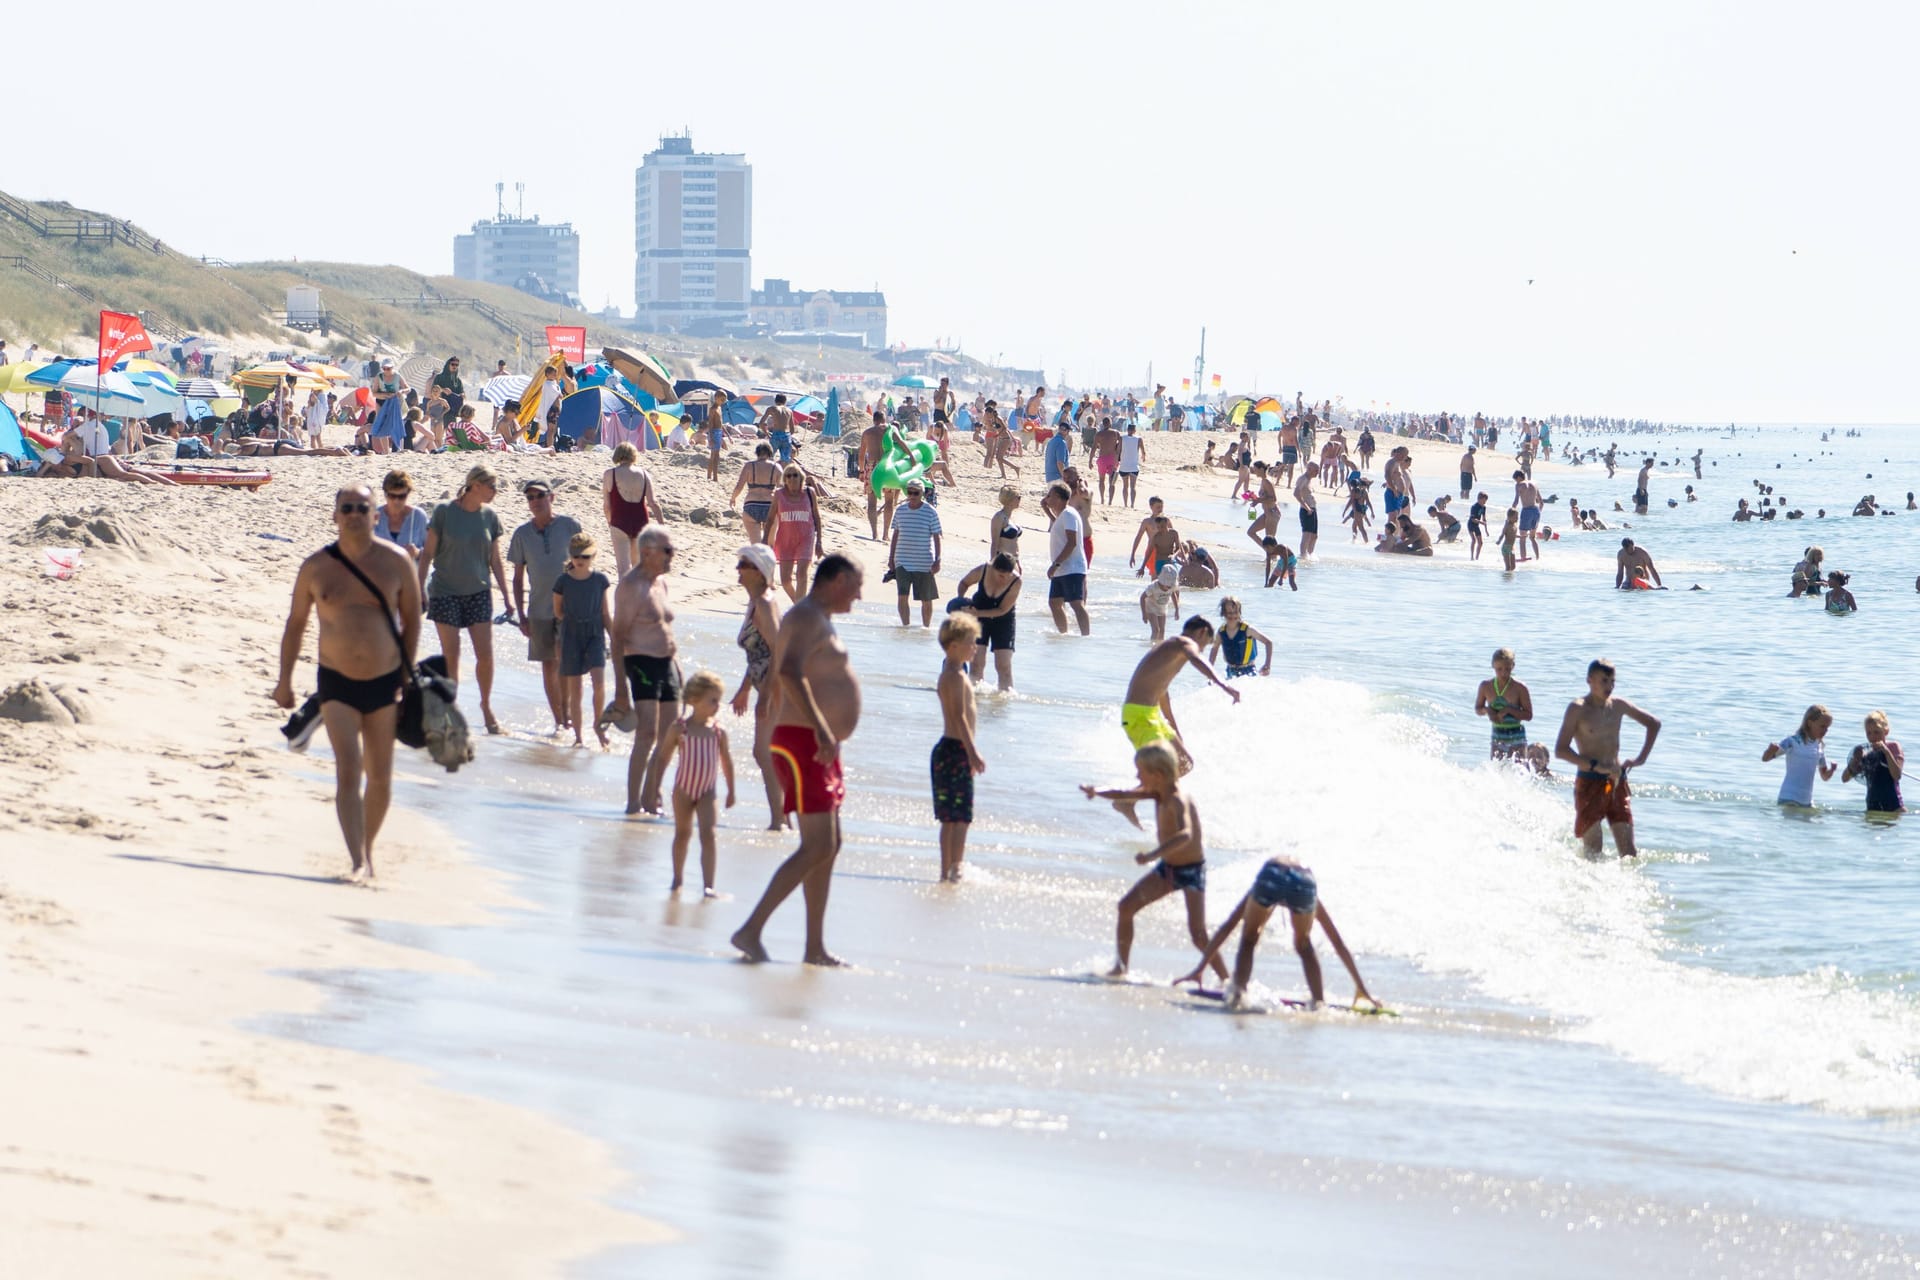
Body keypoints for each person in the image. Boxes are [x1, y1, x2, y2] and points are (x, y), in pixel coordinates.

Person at [273, 486, 422, 883]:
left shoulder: (395, 563)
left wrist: (405, 678)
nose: (354, 514)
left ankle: (368, 849)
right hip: (335, 680)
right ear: (335, 516)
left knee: (381, 775)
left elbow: (412, 618)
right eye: (347, 508)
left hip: (385, 681)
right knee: (348, 769)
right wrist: (284, 680)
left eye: (362, 508)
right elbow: (296, 624)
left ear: (376, 515)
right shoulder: (316, 567)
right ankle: (357, 860)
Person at [731, 554, 865, 965]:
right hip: (804, 739)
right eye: (856, 585)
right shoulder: (806, 616)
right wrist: (824, 729)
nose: (860, 594)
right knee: (818, 844)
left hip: (815, 741)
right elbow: (788, 672)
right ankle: (750, 930)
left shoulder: (812, 617)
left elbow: (786, 672)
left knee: (829, 844)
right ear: (838, 580)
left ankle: (814, 948)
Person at [1080, 743, 1229, 982]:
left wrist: (1152, 855)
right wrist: (1096, 790)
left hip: (1191, 871)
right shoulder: (1158, 792)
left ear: (1158, 775)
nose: (1137, 776)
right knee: (1126, 907)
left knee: (1198, 935)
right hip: (1167, 869)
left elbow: (1186, 835)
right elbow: (1123, 793)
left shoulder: (1178, 800)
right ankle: (1121, 967)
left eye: (1141, 772)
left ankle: (1228, 981)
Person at [1175, 857, 1377, 1011]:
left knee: (1249, 939)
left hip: (1272, 874)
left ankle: (1238, 995)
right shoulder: (1315, 899)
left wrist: (1200, 968)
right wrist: (1361, 988)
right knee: (1304, 945)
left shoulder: (1256, 892)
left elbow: (1228, 926)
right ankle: (1318, 1003)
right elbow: (1337, 942)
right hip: (1303, 881)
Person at [418, 464, 510, 734]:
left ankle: (485, 706)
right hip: (445, 591)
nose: (495, 491)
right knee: (452, 656)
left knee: (486, 655)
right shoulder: (445, 512)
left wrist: (507, 597)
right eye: (492, 486)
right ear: (475, 486)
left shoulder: (490, 517)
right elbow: (427, 554)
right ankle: (450, 710)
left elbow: (496, 560)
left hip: (479, 593)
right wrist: (419, 588)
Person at [1113, 616, 1240, 810]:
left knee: (1184, 763)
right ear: (1202, 633)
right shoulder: (1183, 643)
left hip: (1151, 715)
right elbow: (1197, 659)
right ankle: (1134, 803)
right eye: (1205, 645)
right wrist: (1223, 684)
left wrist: (1173, 724)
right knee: (1164, 769)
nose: (1202, 649)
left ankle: (1131, 800)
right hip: (1139, 716)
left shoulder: (1169, 651)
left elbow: (1162, 691)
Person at [1552, 659, 1662, 857]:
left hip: (1617, 782)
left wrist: (1640, 759)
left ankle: (1628, 886)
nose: (1609, 686)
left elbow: (1653, 723)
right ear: (1589, 680)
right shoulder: (1578, 708)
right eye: (1604, 681)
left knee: (1629, 853)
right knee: (1593, 851)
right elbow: (1560, 750)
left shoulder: (1618, 706)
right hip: (1589, 783)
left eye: (1612, 681)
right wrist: (1595, 766)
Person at [609, 527, 682, 816]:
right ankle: (633, 803)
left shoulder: (660, 583)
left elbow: (666, 629)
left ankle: (652, 794)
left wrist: (678, 669)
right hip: (640, 661)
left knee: (670, 734)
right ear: (648, 552)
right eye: (669, 551)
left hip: (667, 664)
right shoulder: (631, 586)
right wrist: (620, 687)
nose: (672, 557)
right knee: (647, 732)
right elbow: (617, 637)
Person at [508, 478, 582, 735]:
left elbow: (584, 564)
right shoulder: (522, 534)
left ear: (552, 497)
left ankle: (569, 714)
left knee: (565, 661)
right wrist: (521, 615)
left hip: (569, 608)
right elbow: (517, 579)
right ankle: (560, 720)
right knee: (547, 665)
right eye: (530, 497)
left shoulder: (569, 525)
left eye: (539, 496)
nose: (535, 501)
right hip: (537, 610)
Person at [656, 671, 735, 896]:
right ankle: (677, 879)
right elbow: (663, 757)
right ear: (694, 700)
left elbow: (727, 762)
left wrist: (731, 790)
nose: (717, 705)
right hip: (683, 790)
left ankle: (708, 885)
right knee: (683, 834)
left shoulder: (718, 732)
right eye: (713, 700)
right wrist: (656, 787)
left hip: (708, 791)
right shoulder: (680, 729)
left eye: (718, 700)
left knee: (708, 836)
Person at [727, 544, 787, 828]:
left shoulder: (764, 603)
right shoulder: (756, 602)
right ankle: (782, 819)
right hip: (766, 684)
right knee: (766, 753)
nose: (738, 569)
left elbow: (778, 651)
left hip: (777, 687)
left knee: (765, 753)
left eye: (744, 564)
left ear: (759, 572)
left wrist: (765, 697)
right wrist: (745, 689)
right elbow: (758, 654)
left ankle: (780, 820)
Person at [932, 614, 988, 883]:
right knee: (952, 817)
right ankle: (948, 870)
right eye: (970, 643)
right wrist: (972, 751)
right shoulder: (952, 676)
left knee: (962, 816)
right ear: (953, 645)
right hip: (954, 750)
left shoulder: (959, 674)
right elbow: (958, 717)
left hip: (958, 749)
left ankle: (956, 867)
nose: (974, 647)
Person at [553, 533, 614, 749]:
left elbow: (606, 613)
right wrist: (573, 623)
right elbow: (558, 611)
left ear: (593, 556)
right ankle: (578, 737)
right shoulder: (563, 581)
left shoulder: (600, 580)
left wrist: (614, 638)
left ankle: (598, 725)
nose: (580, 559)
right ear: (570, 555)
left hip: (595, 634)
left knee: (599, 683)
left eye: (585, 556)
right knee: (575, 690)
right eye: (576, 555)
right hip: (571, 635)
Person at [952, 552, 1022, 692]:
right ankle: (974, 696)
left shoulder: (1016, 581)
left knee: (1003, 665)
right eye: (1000, 575)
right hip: (978, 619)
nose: (1003, 579)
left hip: (1003, 620)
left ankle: (1003, 700)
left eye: (1006, 576)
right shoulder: (983, 570)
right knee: (977, 663)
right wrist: (962, 601)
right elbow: (964, 583)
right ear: (993, 569)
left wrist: (977, 613)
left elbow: (1002, 609)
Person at [1475, 648, 1545, 771]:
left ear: (1513, 666)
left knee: (1520, 772)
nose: (1503, 673)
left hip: (1517, 737)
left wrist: (1509, 710)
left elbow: (1528, 715)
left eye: (1507, 669)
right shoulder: (1486, 686)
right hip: (1497, 736)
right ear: (1492, 666)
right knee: (1497, 773)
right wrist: (1488, 710)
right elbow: (1478, 708)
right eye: (1499, 669)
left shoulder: (1520, 688)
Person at [886, 479, 943, 627]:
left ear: (922, 493)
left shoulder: (930, 512)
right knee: (902, 596)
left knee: (926, 598)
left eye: (915, 493)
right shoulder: (900, 511)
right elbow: (895, 535)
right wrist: (891, 558)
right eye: (909, 492)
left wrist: (938, 560)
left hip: (924, 562)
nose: (912, 496)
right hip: (902, 560)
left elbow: (937, 537)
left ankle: (926, 628)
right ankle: (905, 627)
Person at [1761, 704, 1836, 808]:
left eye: (1827, 728)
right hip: (1789, 797)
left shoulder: (1819, 747)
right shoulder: (1793, 741)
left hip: (1807, 801)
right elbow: (1765, 759)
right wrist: (1770, 751)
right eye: (1822, 726)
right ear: (1810, 723)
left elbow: (1824, 776)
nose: (1825, 731)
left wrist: (1831, 770)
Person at [769, 462, 824, 601]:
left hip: (806, 538)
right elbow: (770, 518)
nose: (792, 479)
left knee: (802, 574)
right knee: (785, 580)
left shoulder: (809, 493)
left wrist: (819, 542)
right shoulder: (779, 494)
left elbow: (817, 517)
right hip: (785, 540)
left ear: (801, 477)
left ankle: (800, 612)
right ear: (784, 479)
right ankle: (799, 604)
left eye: (795, 475)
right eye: (788, 476)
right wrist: (765, 540)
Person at [602, 442, 657, 579]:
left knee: (623, 569)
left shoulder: (610, 474)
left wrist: (610, 521)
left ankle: (624, 600)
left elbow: (607, 506)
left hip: (619, 520)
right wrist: (662, 525)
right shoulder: (644, 474)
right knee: (638, 567)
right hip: (641, 521)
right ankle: (638, 598)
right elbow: (653, 503)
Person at [1042, 481, 1090, 634]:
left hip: (1072, 568)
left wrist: (1055, 564)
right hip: (1062, 569)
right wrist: (1046, 509)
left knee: (1076, 604)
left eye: (1050, 496)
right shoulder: (1063, 515)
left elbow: (1071, 542)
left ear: (1058, 498)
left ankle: (1086, 636)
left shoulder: (1069, 514)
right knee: (1055, 603)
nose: (1046, 498)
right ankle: (1064, 634)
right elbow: (1059, 526)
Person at [1840, 711, 1905, 815]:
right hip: (1872, 809)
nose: (1873, 737)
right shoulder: (1868, 756)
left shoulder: (1893, 747)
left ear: (1886, 731)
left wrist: (1886, 752)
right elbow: (1844, 778)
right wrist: (1855, 760)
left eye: (1877, 732)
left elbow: (1897, 775)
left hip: (1894, 808)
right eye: (1869, 733)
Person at [859, 409, 903, 538]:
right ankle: (885, 534)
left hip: (872, 467)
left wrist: (862, 471)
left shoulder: (867, 433)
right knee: (889, 501)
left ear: (874, 421)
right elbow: (900, 447)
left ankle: (874, 534)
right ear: (885, 420)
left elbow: (861, 456)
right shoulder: (889, 430)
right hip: (886, 466)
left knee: (872, 502)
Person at [731, 442, 782, 545]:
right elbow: (781, 490)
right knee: (770, 544)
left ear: (757, 453)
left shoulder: (749, 466)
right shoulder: (776, 467)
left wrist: (733, 498)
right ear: (770, 453)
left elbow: (739, 486)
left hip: (751, 505)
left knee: (756, 545)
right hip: (770, 506)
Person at [1208, 597, 1270, 677]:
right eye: (1229, 613)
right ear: (1223, 613)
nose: (1233, 615)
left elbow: (1268, 642)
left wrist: (1267, 664)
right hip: (1230, 671)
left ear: (1240, 613)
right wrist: (1210, 672)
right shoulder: (1221, 632)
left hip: (1249, 670)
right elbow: (1214, 650)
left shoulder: (1248, 629)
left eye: (1236, 612)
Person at [373, 469, 428, 560]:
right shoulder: (373, 516)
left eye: (401, 496)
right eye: (392, 496)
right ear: (385, 494)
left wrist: (417, 553)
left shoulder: (418, 516)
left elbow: (432, 552)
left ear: (409, 493)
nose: (396, 501)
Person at [1140, 563, 1180, 641]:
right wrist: (1144, 614)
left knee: (1162, 631)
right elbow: (1142, 598)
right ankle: (1153, 647)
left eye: (1170, 586)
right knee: (1156, 630)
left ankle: (1159, 646)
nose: (1169, 588)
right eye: (1167, 586)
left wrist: (1177, 610)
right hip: (1151, 609)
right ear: (1162, 581)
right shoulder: (1153, 587)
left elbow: (1173, 596)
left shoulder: (1171, 587)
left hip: (1162, 609)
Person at [988, 485, 1024, 569]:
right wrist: (992, 563)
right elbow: (994, 543)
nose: (1020, 500)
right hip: (1002, 560)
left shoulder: (1012, 518)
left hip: (1013, 560)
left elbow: (1015, 541)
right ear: (1010, 500)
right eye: (1018, 497)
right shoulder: (999, 517)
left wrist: (1018, 563)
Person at [1512, 470, 1544, 561]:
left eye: (1516, 480)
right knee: (1533, 538)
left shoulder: (1519, 485)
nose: (1516, 482)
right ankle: (1538, 558)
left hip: (1526, 511)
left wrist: (1511, 514)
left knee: (1522, 538)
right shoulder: (1534, 484)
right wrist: (1538, 514)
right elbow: (1541, 502)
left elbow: (1516, 501)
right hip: (1536, 510)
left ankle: (1523, 558)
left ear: (1518, 477)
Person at [1294, 462, 1321, 557]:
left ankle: (1310, 555)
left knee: (1314, 536)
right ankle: (1303, 555)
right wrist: (1307, 508)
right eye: (1316, 470)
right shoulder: (1303, 479)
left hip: (1312, 509)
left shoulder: (1309, 480)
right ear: (1309, 469)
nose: (1318, 472)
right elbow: (1296, 494)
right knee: (1307, 535)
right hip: (1306, 510)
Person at [1094, 418, 1123, 504]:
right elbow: (1120, 446)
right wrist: (1118, 455)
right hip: (1113, 459)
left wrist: (1090, 460)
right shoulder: (1116, 433)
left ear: (1103, 424)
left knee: (1101, 480)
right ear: (1110, 424)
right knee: (1112, 481)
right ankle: (1110, 501)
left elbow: (1093, 447)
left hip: (1102, 458)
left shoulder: (1099, 434)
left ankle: (1102, 499)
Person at [1117, 422, 1144, 507]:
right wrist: (1143, 457)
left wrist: (1117, 460)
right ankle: (1132, 504)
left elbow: (1118, 451)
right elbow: (1143, 452)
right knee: (1133, 487)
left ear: (1127, 430)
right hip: (1134, 466)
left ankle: (1125, 504)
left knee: (1125, 486)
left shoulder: (1122, 438)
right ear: (1135, 430)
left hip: (1124, 465)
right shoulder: (1139, 439)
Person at [704, 392, 729, 482]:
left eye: (724, 400)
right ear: (716, 397)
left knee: (714, 455)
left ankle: (709, 475)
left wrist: (728, 435)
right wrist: (710, 438)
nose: (723, 401)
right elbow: (710, 424)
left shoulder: (719, 408)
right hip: (714, 432)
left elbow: (721, 423)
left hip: (719, 432)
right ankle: (714, 476)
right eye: (722, 399)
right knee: (715, 455)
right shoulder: (713, 409)